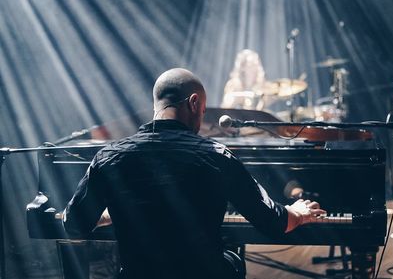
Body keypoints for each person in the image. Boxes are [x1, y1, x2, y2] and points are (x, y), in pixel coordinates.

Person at [62, 68, 325, 279]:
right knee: (232, 261)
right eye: (202, 111)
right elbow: (273, 221)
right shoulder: (216, 156)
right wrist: (298, 213)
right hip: (202, 273)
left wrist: (111, 212)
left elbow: (73, 225)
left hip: (138, 274)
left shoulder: (110, 156)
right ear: (194, 102)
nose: (201, 119)